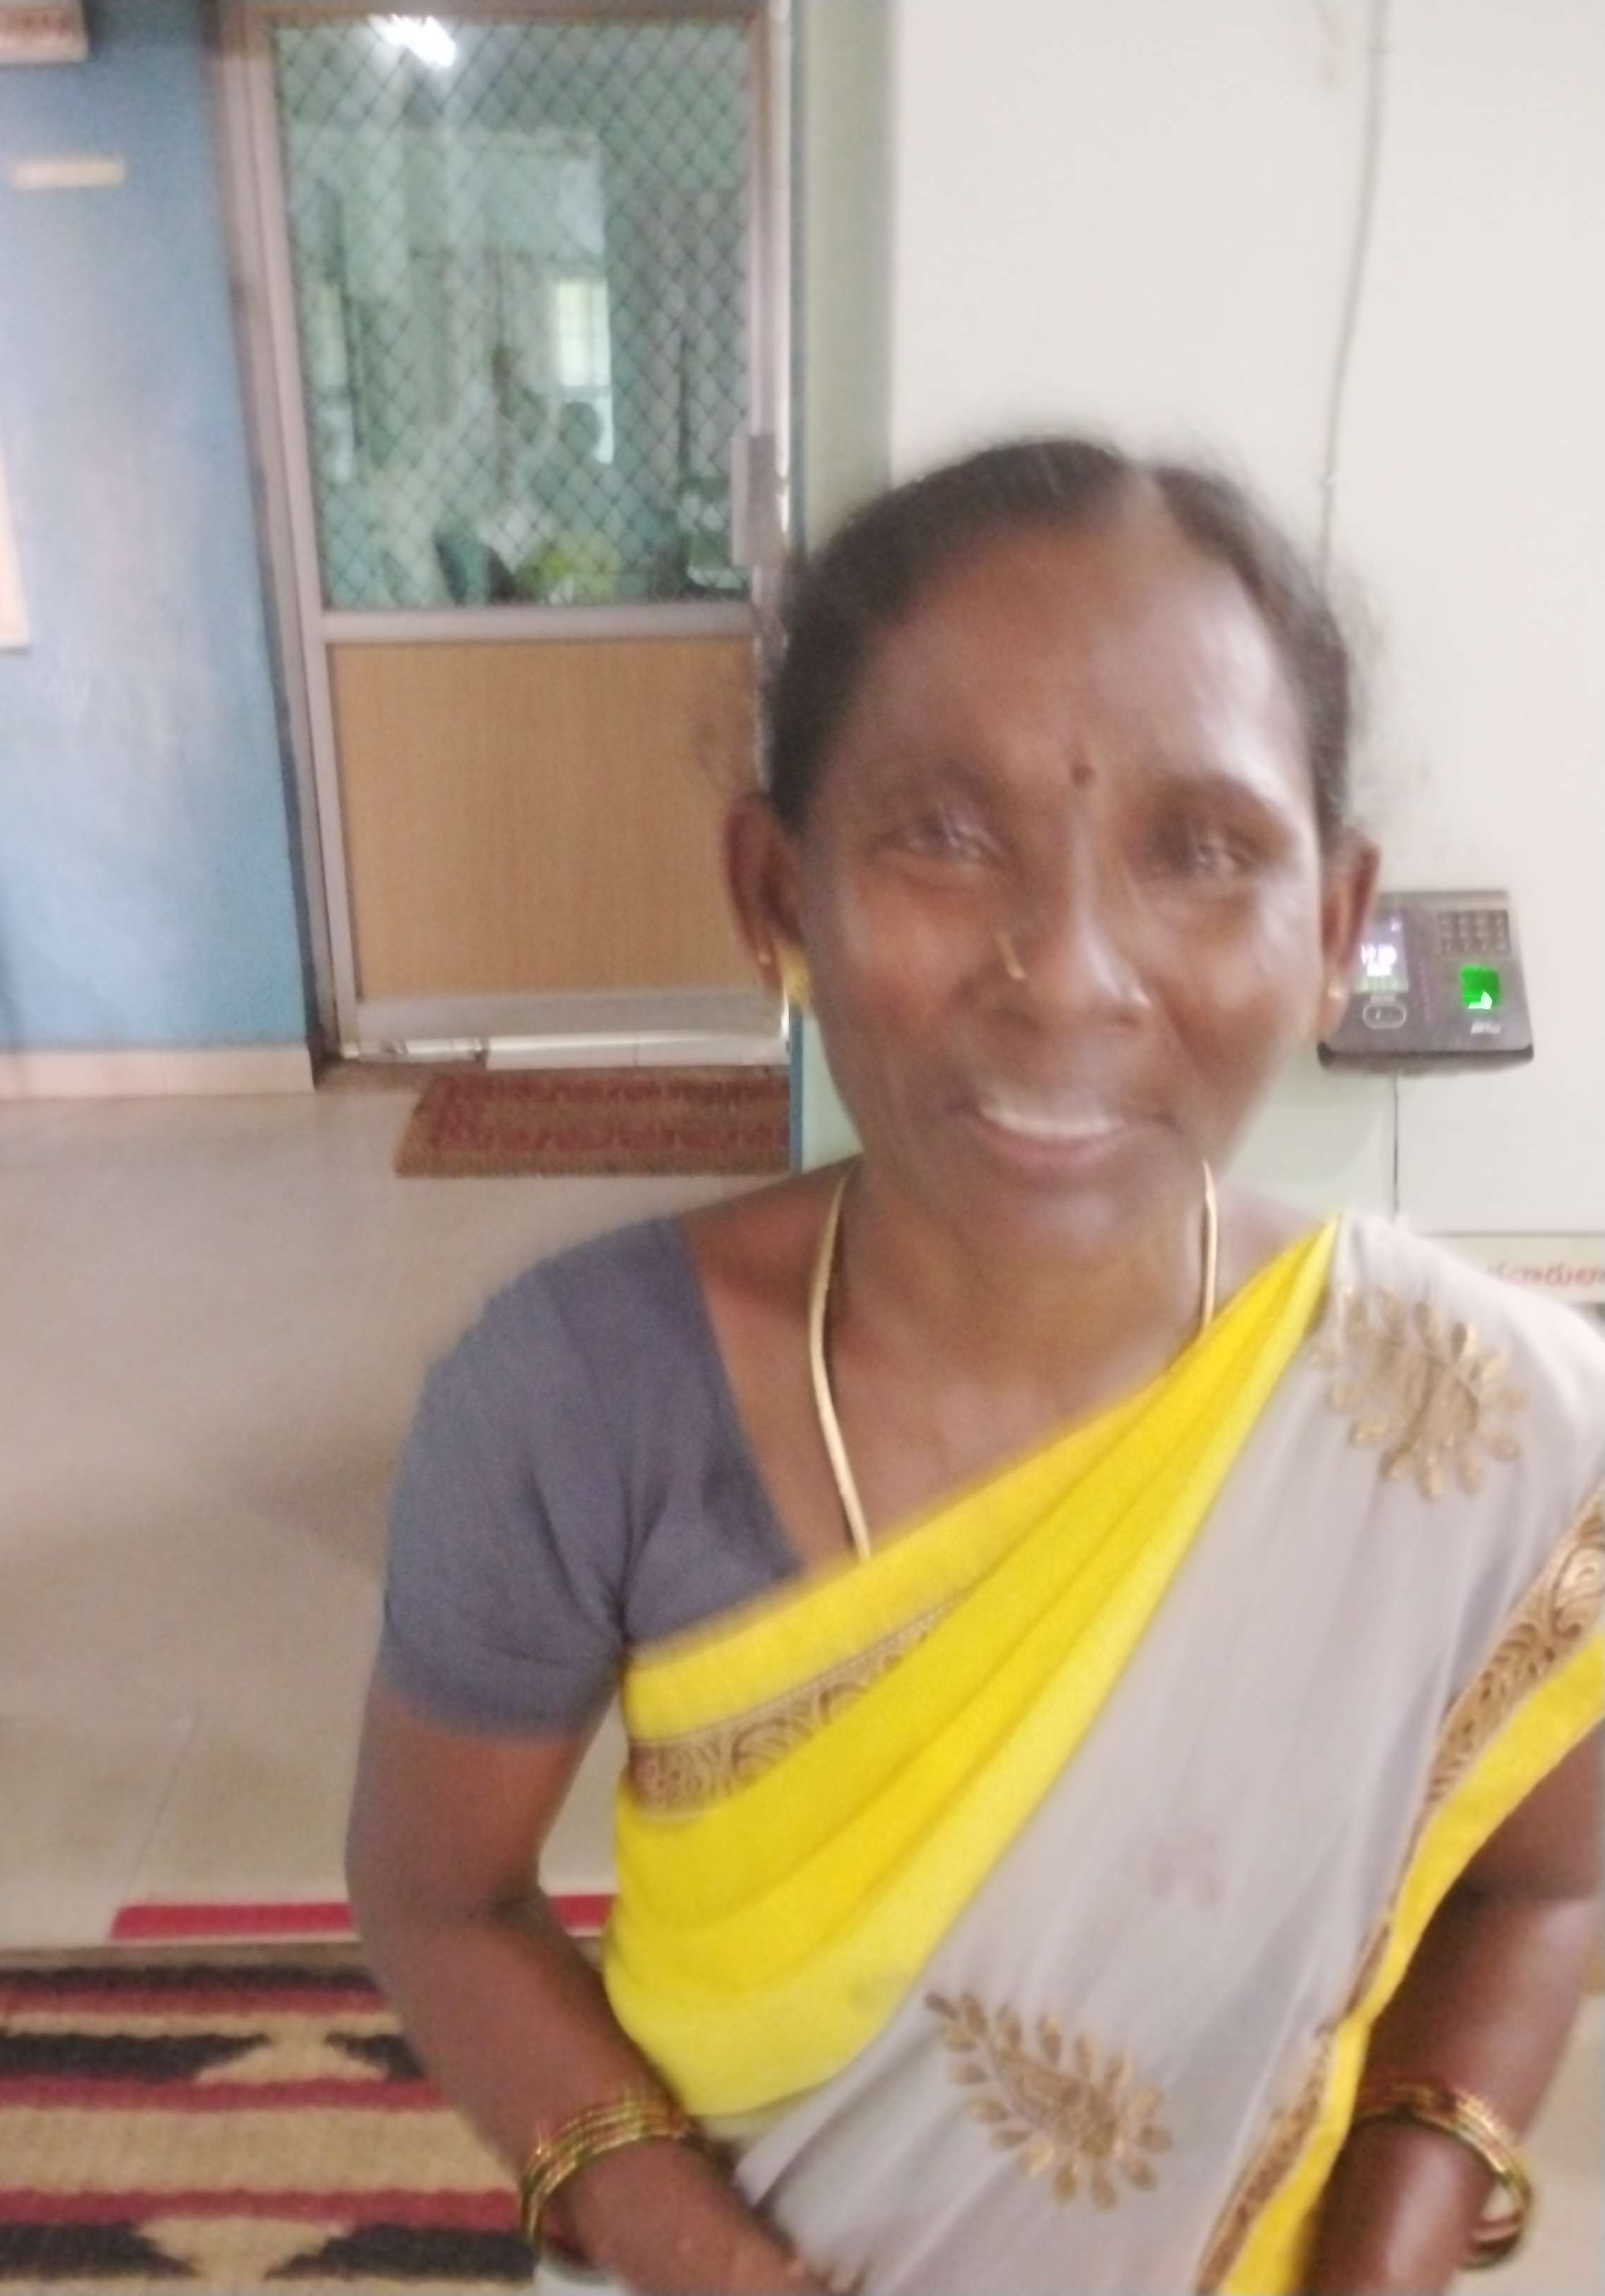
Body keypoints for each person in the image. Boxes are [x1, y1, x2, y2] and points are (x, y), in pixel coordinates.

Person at [347, 439, 1604, 2295]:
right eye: (942, 833)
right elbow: (439, 1899)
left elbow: (1543, 1882)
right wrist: (710, 2264)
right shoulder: (579, 1400)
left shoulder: (1485, 1426)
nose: (1069, 974)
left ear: (1338, 929)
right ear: (776, 892)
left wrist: (1385, 2256)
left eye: (1203, 852)